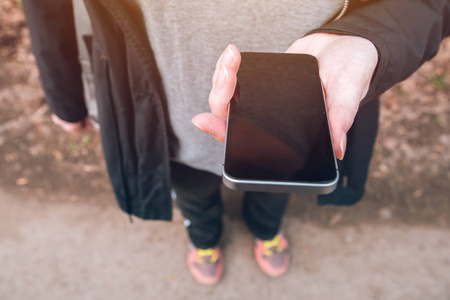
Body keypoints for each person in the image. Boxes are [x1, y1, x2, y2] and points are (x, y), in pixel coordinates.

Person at [25, 0, 450, 285]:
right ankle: (204, 237)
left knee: (279, 183)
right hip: (164, 104)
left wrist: (369, 36)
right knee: (190, 188)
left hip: (304, 101)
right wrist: (64, 96)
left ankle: (266, 230)